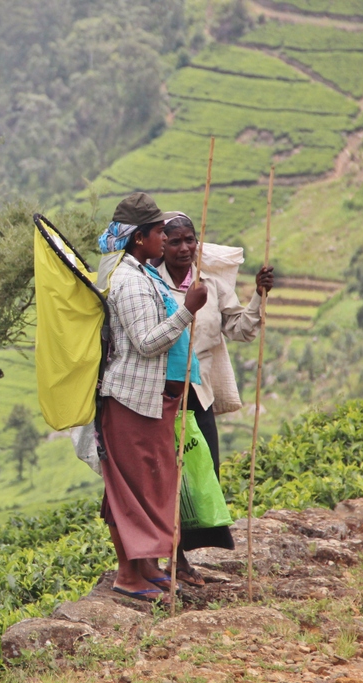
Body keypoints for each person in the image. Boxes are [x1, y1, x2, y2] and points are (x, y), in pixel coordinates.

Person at [97, 193, 208, 604]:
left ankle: (146, 567)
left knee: (149, 484)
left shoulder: (142, 272)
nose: (166, 238)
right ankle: (129, 576)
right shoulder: (128, 282)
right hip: (129, 400)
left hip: (148, 399)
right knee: (129, 488)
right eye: (160, 231)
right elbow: (145, 343)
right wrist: (187, 312)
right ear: (141, 237)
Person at [156, 211, 275, 586]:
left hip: (199, 390)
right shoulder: (150, 282)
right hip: (160, 393)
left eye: (190, 240)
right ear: (161, 245)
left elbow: (238, 328)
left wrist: (258, 296)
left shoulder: (211, 282)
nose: (185, 248)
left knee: (201, 474)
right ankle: (169, 558)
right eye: (175, 241)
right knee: (165, 476)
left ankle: (184, 556)